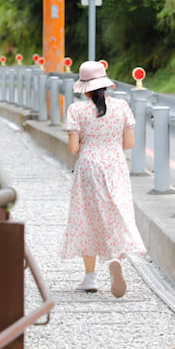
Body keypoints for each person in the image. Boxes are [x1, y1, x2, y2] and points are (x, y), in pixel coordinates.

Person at [61, 61, 146, 298]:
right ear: (105, 85)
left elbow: (73, 148)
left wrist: (90, 144)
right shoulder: (121, 107)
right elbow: (129, 144)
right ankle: (115, 260)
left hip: (88, 166)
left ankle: (89, 278)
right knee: (115, 212)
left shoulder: (76, 110)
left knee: (87, 217)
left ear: (85, 89)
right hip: (115, 165)